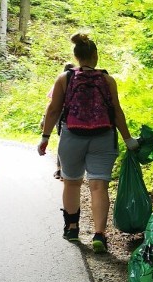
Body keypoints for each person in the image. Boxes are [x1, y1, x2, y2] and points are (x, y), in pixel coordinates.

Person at [38, 32, 138, 252]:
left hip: (72, 136)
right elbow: (117, 112)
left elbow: (53, 109)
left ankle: (72, 228)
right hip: (103, 138)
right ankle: (100, 235)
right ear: (95, 55)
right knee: (98, 185)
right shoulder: (107, 79)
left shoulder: (64, 78)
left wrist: (45, 137)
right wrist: (128, 138)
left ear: (76, 56)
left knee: (71, 183)